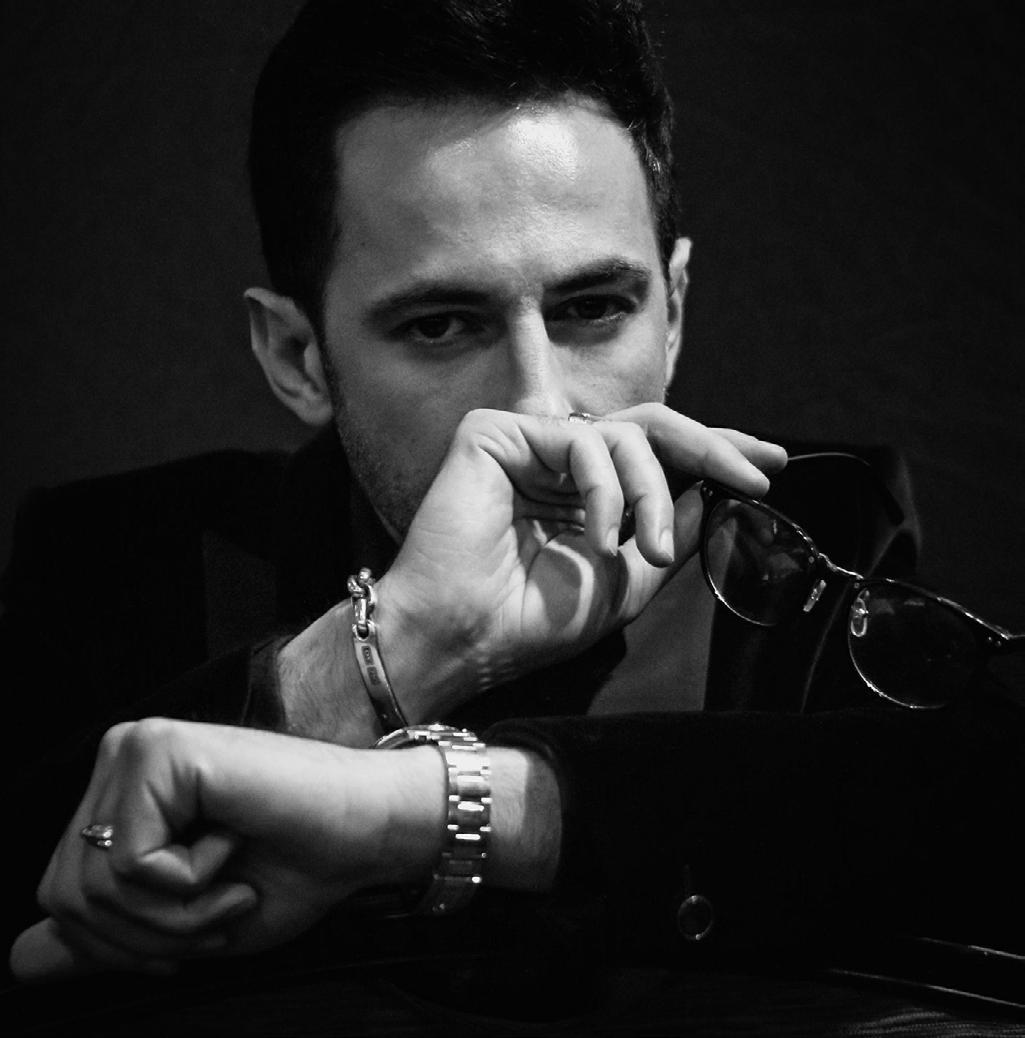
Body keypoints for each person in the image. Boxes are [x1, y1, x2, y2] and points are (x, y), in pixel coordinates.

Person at [4, 0, 1024, 1030]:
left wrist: (436, 810)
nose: (540, 408)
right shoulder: (124, 561)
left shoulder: (814, 546)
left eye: (593, 309)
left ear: (673, 310)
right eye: (439, 325)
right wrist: (383, 658)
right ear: (296, 357)